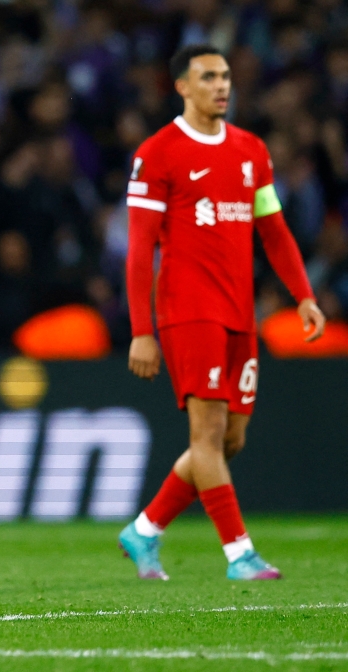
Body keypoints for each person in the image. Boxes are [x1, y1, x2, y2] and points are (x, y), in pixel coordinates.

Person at [119, 45, 325, 581]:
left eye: (226, 76)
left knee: (229, 441)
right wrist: (143, 331)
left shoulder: (251, 150)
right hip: (189, 309)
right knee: (206, 438)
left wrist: (303, 294)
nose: (221, 85)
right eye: (208, 77)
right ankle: (240, 555)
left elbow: (273, 230)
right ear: (182, 87)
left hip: (240, 312)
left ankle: (144, 530)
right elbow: (140, 250)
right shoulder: (158, 153)